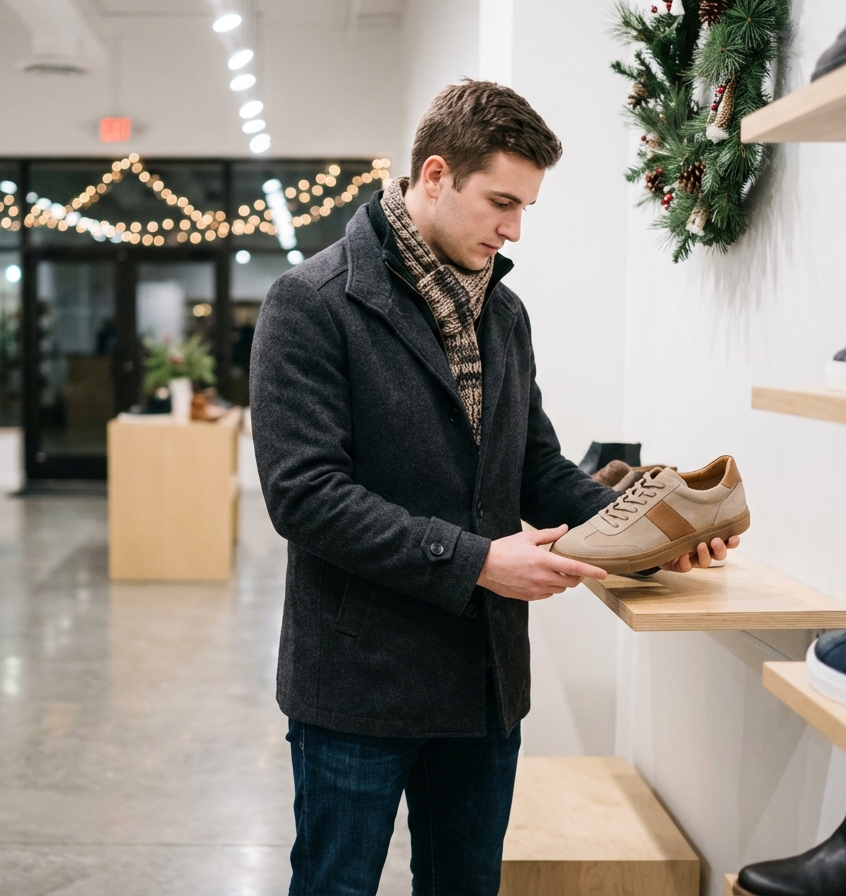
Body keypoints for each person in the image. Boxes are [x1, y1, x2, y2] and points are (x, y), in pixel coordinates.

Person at [249, 79, 738, 896]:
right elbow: (304, 495)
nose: (514, 230)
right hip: (357, 683)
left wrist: (658, 529)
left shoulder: (502, 312)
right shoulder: (310, 303)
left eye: (527, 209)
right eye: (501, 203)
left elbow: (536, 470)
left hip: (483, 684)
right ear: (434, 176)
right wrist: (476, 560)